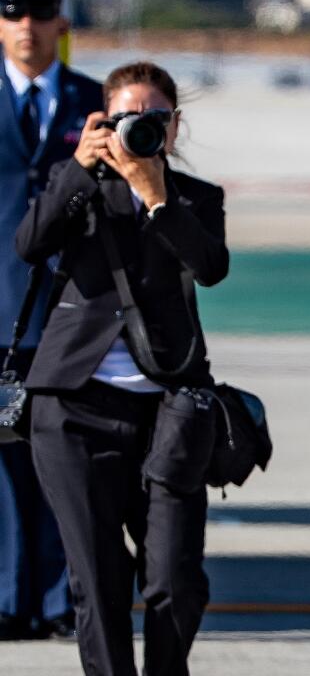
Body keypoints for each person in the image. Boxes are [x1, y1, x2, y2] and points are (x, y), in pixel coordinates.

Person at [15, 61, 228, 676]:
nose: (140, 129)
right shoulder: (77, 185)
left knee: (174, 578)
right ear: (101, 121)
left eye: (154, 119)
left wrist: (157, 197)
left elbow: (210, 268)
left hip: (169, 409)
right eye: (125, 117)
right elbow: (30, 244)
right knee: (98, 581)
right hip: (74, 407)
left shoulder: (197, 199)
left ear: (175, 126)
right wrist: (81, 166)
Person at [0, 0, 102, 642]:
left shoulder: (95, 101)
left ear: (61, 20)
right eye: (14, 12)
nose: (27, 26)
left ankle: (63, 601)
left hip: (72, 313)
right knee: (3, 468)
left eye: (40, 12)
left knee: (67, 466)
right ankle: (9, 601)